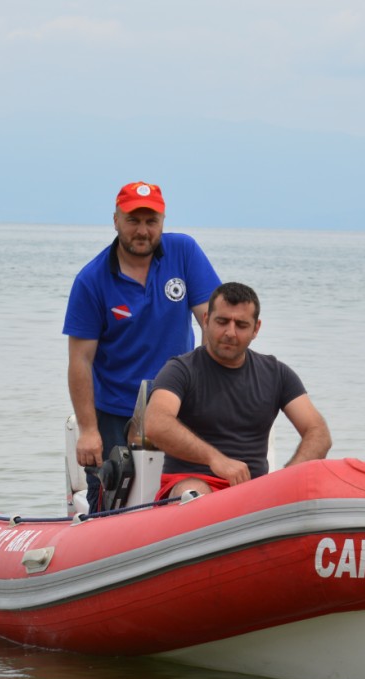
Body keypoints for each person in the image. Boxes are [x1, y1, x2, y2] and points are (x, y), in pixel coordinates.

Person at [63, 181, 221, 506]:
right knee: (106, 499)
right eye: (133, 220)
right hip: (115, 412)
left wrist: (212, 390)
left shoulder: (184, 252)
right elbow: (80, 360)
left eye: (151, 222)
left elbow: (213, 323)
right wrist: (88, 431)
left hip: (177, 404)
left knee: (185, 487)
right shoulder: (91, 280)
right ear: (116, 220)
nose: (142, 230)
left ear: (163, 222)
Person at [145, 281, 331, 498]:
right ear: (206, 321)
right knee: (195, 494)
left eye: (241, 325)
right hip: (192, 485)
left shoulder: (276, 374)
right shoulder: (180, 370)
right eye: (222, 322)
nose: (230, 333)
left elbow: (318, 432)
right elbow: (155, 423)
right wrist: (216, 460)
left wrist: (287, 478)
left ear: (256, 329)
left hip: (252, 492)